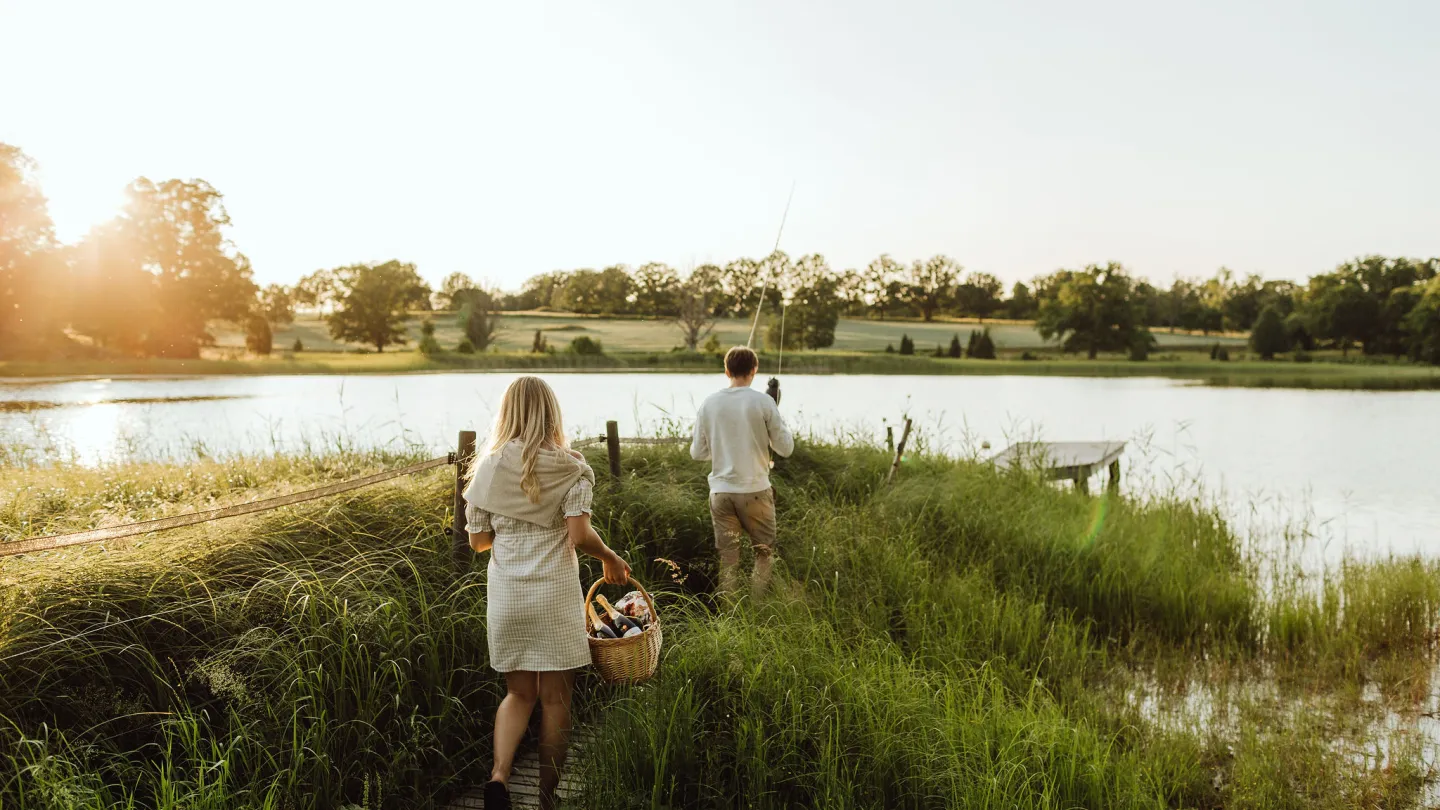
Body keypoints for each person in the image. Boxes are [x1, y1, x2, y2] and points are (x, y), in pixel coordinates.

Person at [464, 376, 630, 810]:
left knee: (518, 694)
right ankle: (546, 798)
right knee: (556, 699)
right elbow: (579, 534)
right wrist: (610, 557)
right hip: (554, 595)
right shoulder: (571, 467)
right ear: (551, 413)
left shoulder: (488, 468)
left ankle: (499, 776)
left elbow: (478, 542)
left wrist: (511, 524)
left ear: (507, 412)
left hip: (508, 597)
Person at [690, 346, 795, 598]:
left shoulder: (708, 404)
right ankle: (757, 611)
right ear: (754, 370)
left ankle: (731, 616)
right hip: (755, 492)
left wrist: (723, 447)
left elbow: (697, 453)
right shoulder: (764, 401)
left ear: (726, 370)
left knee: (728, 559)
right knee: (764, 553)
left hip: (721, 495)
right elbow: (786, 448)